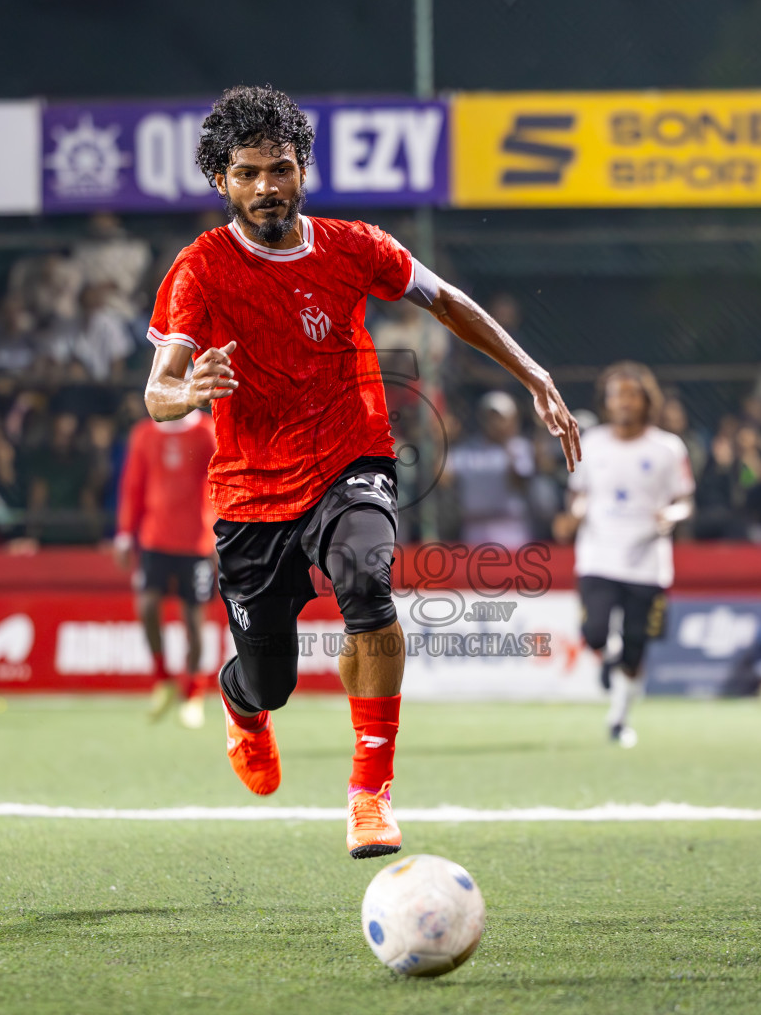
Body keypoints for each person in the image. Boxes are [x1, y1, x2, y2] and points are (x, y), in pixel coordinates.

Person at [143, 86, 580, 859]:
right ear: (222, 181)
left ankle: (370, 793)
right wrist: (189, 391)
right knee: (269, 678)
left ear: (303, 169)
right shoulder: (199, 269)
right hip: (251, 491)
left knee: (366, 578)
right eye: (246, 173)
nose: (265, 187)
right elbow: (158, 391)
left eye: (280, 169)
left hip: (352, 455)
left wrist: (533, 372)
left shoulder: (353, 247)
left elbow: (446, 301)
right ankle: (242, 708)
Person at [553, 362, 692, 747]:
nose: (624, 401)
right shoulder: (591, 443)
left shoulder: (667, 448)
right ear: (607, 402)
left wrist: (672, 515)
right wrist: (574, 518)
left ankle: (619, 718)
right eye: (617, 394)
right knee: (594, 632)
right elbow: (580, 494)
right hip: (598, 554)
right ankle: (607, 655)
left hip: (647, 560)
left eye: (632, 393)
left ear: (647, 400)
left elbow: (684, 500)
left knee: (636, 646)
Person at [113, 411, 218, 729]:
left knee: (194, 621)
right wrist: (124, 533)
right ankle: (163, 678)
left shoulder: (207, 432)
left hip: (196, 541)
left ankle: (194, 695)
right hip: (154, 538)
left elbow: (223, 481)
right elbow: (133, 485)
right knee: (146, 606)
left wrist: (220, 532)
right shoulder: (144, 434)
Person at [444, 391, 535, 548]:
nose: (495, 422)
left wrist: (506, 444)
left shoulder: (520, 448)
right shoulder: (469, 448)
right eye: (491, 417)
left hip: (510, 529)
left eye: (500, 418)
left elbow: (521, 482)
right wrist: (444, 441)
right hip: (474, 528)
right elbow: (443, 479)